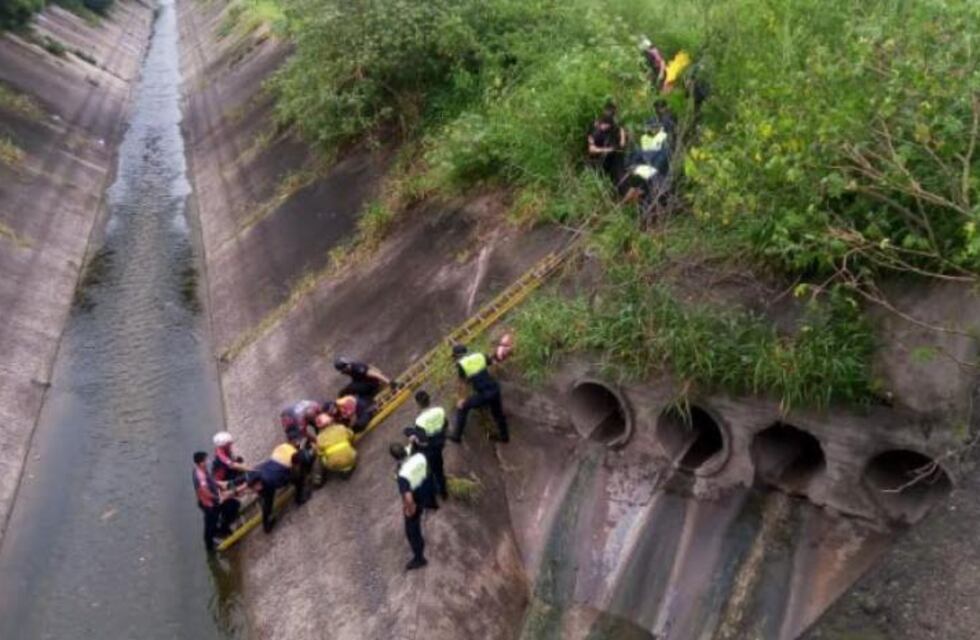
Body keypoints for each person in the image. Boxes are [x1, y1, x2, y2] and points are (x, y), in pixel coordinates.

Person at [390, 442, 436, 571]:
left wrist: (410, 509)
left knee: (412, 531)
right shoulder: (419, 456)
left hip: (417, 498)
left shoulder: (402, 475)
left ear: (395, 458)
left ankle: (419, 558)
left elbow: (408, 497)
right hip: (427, 490)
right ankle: (432, 505)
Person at [449, 344, 509, 444]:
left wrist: (461, 399)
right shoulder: (479, 355)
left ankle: (456, 436)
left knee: (463, 407)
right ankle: (504, 437)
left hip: (485, 394)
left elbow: (462, 384)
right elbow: (493, 361)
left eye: (455, 357)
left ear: (457, 356)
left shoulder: (461, 364)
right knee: (498, 415)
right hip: (495, 389)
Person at [245, 443, 309, 533]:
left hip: (262, 470)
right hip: (268, 481)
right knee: (298, 480)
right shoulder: (286, 466)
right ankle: (299, 498)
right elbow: (280, 482)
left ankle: (266, 524)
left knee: (267, 501)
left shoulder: (286, 447)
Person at [404, 390, 448, 500]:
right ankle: (444, 493)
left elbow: (422, 440)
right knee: (439, 470)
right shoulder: (439, 410)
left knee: (430, 470)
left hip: (429, 448)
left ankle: (432, 490)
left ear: (418, 404)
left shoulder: (420, 421)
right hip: (440, 442)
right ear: (429, 399)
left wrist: (414, 439)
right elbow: (445, 424)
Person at [193, 451, 240, 552]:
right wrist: (218, 498)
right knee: (210, 525)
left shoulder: (201, 470)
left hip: (212, 500)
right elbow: (205, 492)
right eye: (206, 460)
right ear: (201, 462)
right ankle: (210, 547)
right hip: (209, 504)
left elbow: (210, 480)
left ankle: (223, 529)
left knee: (233, 505)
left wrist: (219, 485)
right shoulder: (200, 476)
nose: (208, 461)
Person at [587, 111, 627, 184]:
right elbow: (591, 149)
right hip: (597, 161)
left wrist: (622, 137)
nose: (606, 127)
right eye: (605, 125)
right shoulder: (594, 132)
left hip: (609, 158)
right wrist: (606, 150)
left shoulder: (609, 131)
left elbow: (621, 141)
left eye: (609, 125)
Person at [314, 413, 357, 480]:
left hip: (334, 465)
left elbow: (320, 453)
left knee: (320, 458)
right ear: (331, 421)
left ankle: (318, 478)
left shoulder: (319, 438)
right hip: (351, 458)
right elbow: (352, 435)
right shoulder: (340, 427)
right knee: (349, 442)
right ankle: (349, 464)